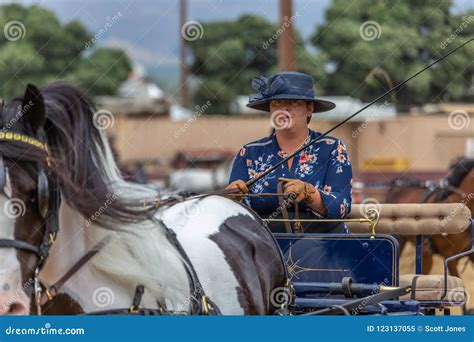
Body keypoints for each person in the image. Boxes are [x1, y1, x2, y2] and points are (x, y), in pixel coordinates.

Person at [226, 71, 352, 233]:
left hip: (324, 245)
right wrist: (231, 199)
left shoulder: (333, 148)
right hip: (264, 248)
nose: (284, 108)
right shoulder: (249, 153)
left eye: (293, 102)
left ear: (309, 109)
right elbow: (234, 216)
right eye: (277, 103)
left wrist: (310, 194)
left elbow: (342, 206)